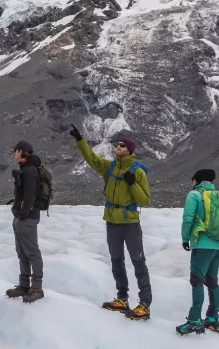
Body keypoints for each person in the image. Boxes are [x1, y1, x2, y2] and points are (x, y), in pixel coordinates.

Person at [69, 124, 153, 320]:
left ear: (129, 150)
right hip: (112, 222)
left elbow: (145, 201)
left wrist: (132, 184)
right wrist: (80, 140)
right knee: (117, 261)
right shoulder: (110, 167)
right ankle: (122, 298)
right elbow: (92, 159)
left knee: (138, 262)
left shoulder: (137, 172)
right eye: (118, 145)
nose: (118, 147)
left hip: (130, 223)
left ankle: (144, 304)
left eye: (122, 145)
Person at [177, 169, 219, 336]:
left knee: (197, 281)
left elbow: (188, 218)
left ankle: (194, 320)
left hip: (201, 245)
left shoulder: (194, 195)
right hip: (217, 246)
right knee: (212, 282)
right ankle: (212, 319)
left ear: (196, 180)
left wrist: (185, 238)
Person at [5, 140, 45, 303]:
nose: (14, 153)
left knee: (32, 252)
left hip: (27, 218)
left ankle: (37, 288)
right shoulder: (26, 169)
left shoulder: (30, 170)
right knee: (22, 252)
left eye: (15, 151)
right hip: (22, 217)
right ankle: (24, 285)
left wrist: (22, 213)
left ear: (22, 151)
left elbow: (30, 195)